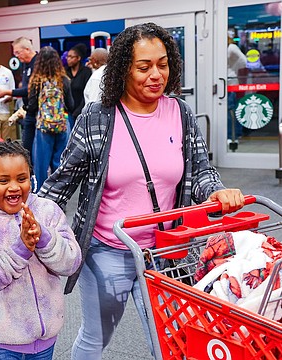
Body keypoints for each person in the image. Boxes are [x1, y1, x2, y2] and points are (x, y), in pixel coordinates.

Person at [38, 22, 245, 359]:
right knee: (95, 339)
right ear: (123, 69)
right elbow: (61, 182)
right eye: (144, 66)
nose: (156, 75)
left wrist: (217, 191)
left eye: (162, 65)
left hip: (166, 254)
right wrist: (29, 223)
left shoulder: (179, 112)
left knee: (170, 340)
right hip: (108, 253)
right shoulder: (97, 118)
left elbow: (201, 170)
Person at [0, 139, 81, 360]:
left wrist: (44, 238)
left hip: (44, 341)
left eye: (21, 179)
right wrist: (20, 249)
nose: (14, 187)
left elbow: (71, 262)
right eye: (3, 180)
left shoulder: (47, 211)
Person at [26, 46, 74, 189]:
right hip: (62, 125)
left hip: (43, 127)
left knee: (41, 164)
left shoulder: (36, 81)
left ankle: (42, 194)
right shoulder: (64, 80)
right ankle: (58, 194)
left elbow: (32, 106)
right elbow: (71, 105)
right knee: (59, 163)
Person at [0, 37, 38, 159]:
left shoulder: (38, 63)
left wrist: (7, 92)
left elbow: (30, 90)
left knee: (37, 150)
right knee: (26, 149)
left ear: (27, 49)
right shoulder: (25, 65)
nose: (17, 56)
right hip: (28, 112)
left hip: (39, 113)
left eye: (18, 52)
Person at [65, 43, 92, 127]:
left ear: (78, 58)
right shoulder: (65, 72)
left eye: (71, 57)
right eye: (67, 56)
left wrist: (78, 111)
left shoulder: (86, 72)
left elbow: (87, 92)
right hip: (67, 112)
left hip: (81, 111)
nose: (68, 59)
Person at [227, 34, 247, 145]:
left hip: (231, 82)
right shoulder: (226, 47)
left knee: (230, 111)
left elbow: (244, 61)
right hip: (228, 83)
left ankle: (232, 135)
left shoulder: (231, 47)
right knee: (233, 110)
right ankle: (236, 133)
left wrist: (233, 68)